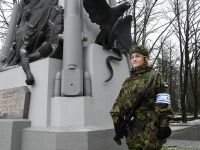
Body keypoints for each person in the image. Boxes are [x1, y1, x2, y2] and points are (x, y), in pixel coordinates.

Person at [110, 45, 174, 150]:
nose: (134, 59)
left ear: (145, 58)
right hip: (131, 131)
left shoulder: (155, 76)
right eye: (132, 57)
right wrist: (117, 122)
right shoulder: (128, 80)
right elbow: (118, 103)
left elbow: (163, 102)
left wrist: (164, 124)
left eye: (137, 56)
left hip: (149, 130)